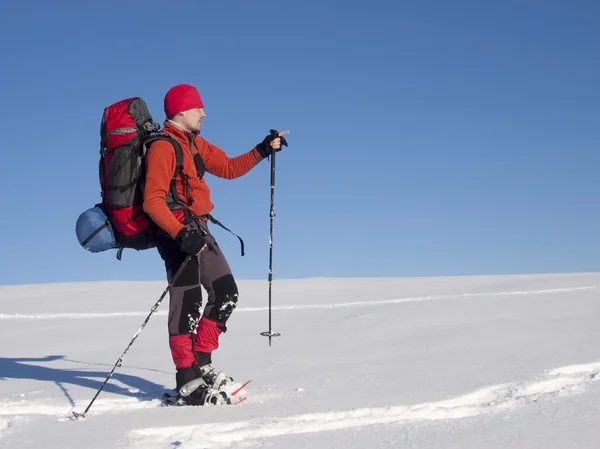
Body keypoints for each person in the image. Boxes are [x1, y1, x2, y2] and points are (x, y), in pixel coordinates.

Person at [142, 83, 288, 405]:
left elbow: (230, 167)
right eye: (199, 108)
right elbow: (152, 202)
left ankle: (202, 362)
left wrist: (264, 149)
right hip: (176, 233)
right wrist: (181, 234)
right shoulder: (164, 147)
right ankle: (187, 378)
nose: (204, 113)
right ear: (181, 110)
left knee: (226, 293)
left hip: (200, 228)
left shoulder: (194, 144)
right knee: (188, 303)